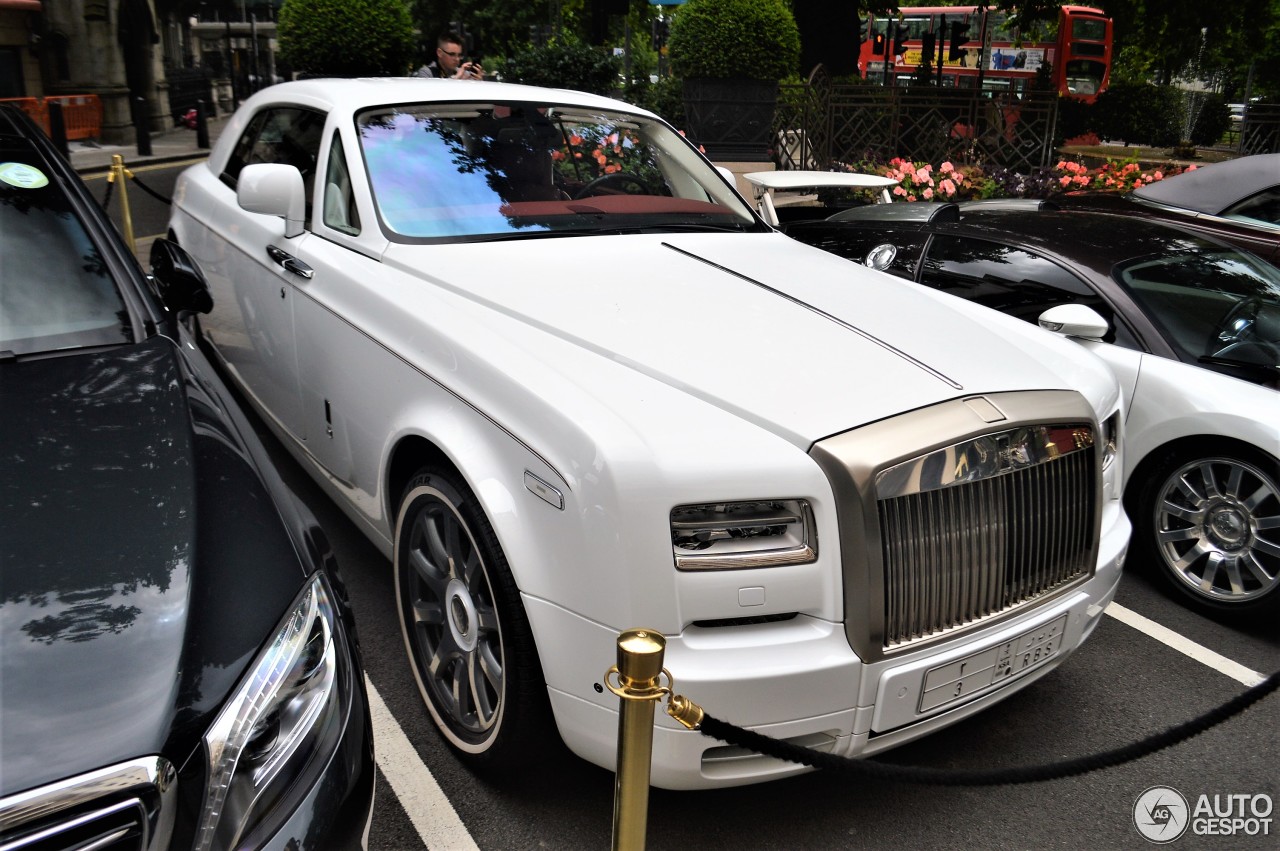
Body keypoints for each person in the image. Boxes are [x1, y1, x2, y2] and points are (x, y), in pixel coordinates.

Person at [416, 33, 484, 80]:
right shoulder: (426, 73)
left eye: (459, 55)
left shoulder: (464, 74)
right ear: (439, 53)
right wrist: (457, 78)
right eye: (452, 54)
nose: (457, 59)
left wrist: (479, 83)